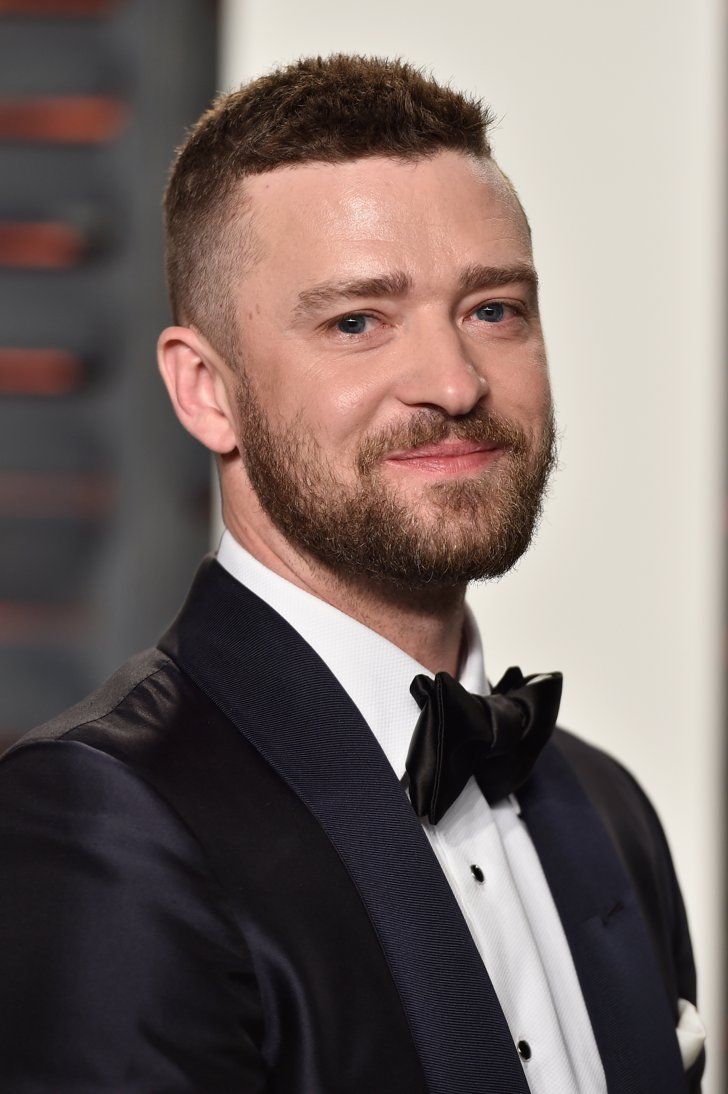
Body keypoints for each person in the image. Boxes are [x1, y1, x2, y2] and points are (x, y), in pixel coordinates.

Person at [0, 55, 705, 1093]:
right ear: (205, 392)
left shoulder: (608, 810)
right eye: (357, 322)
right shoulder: (102, 816)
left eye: (493, 309)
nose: (454, 384)